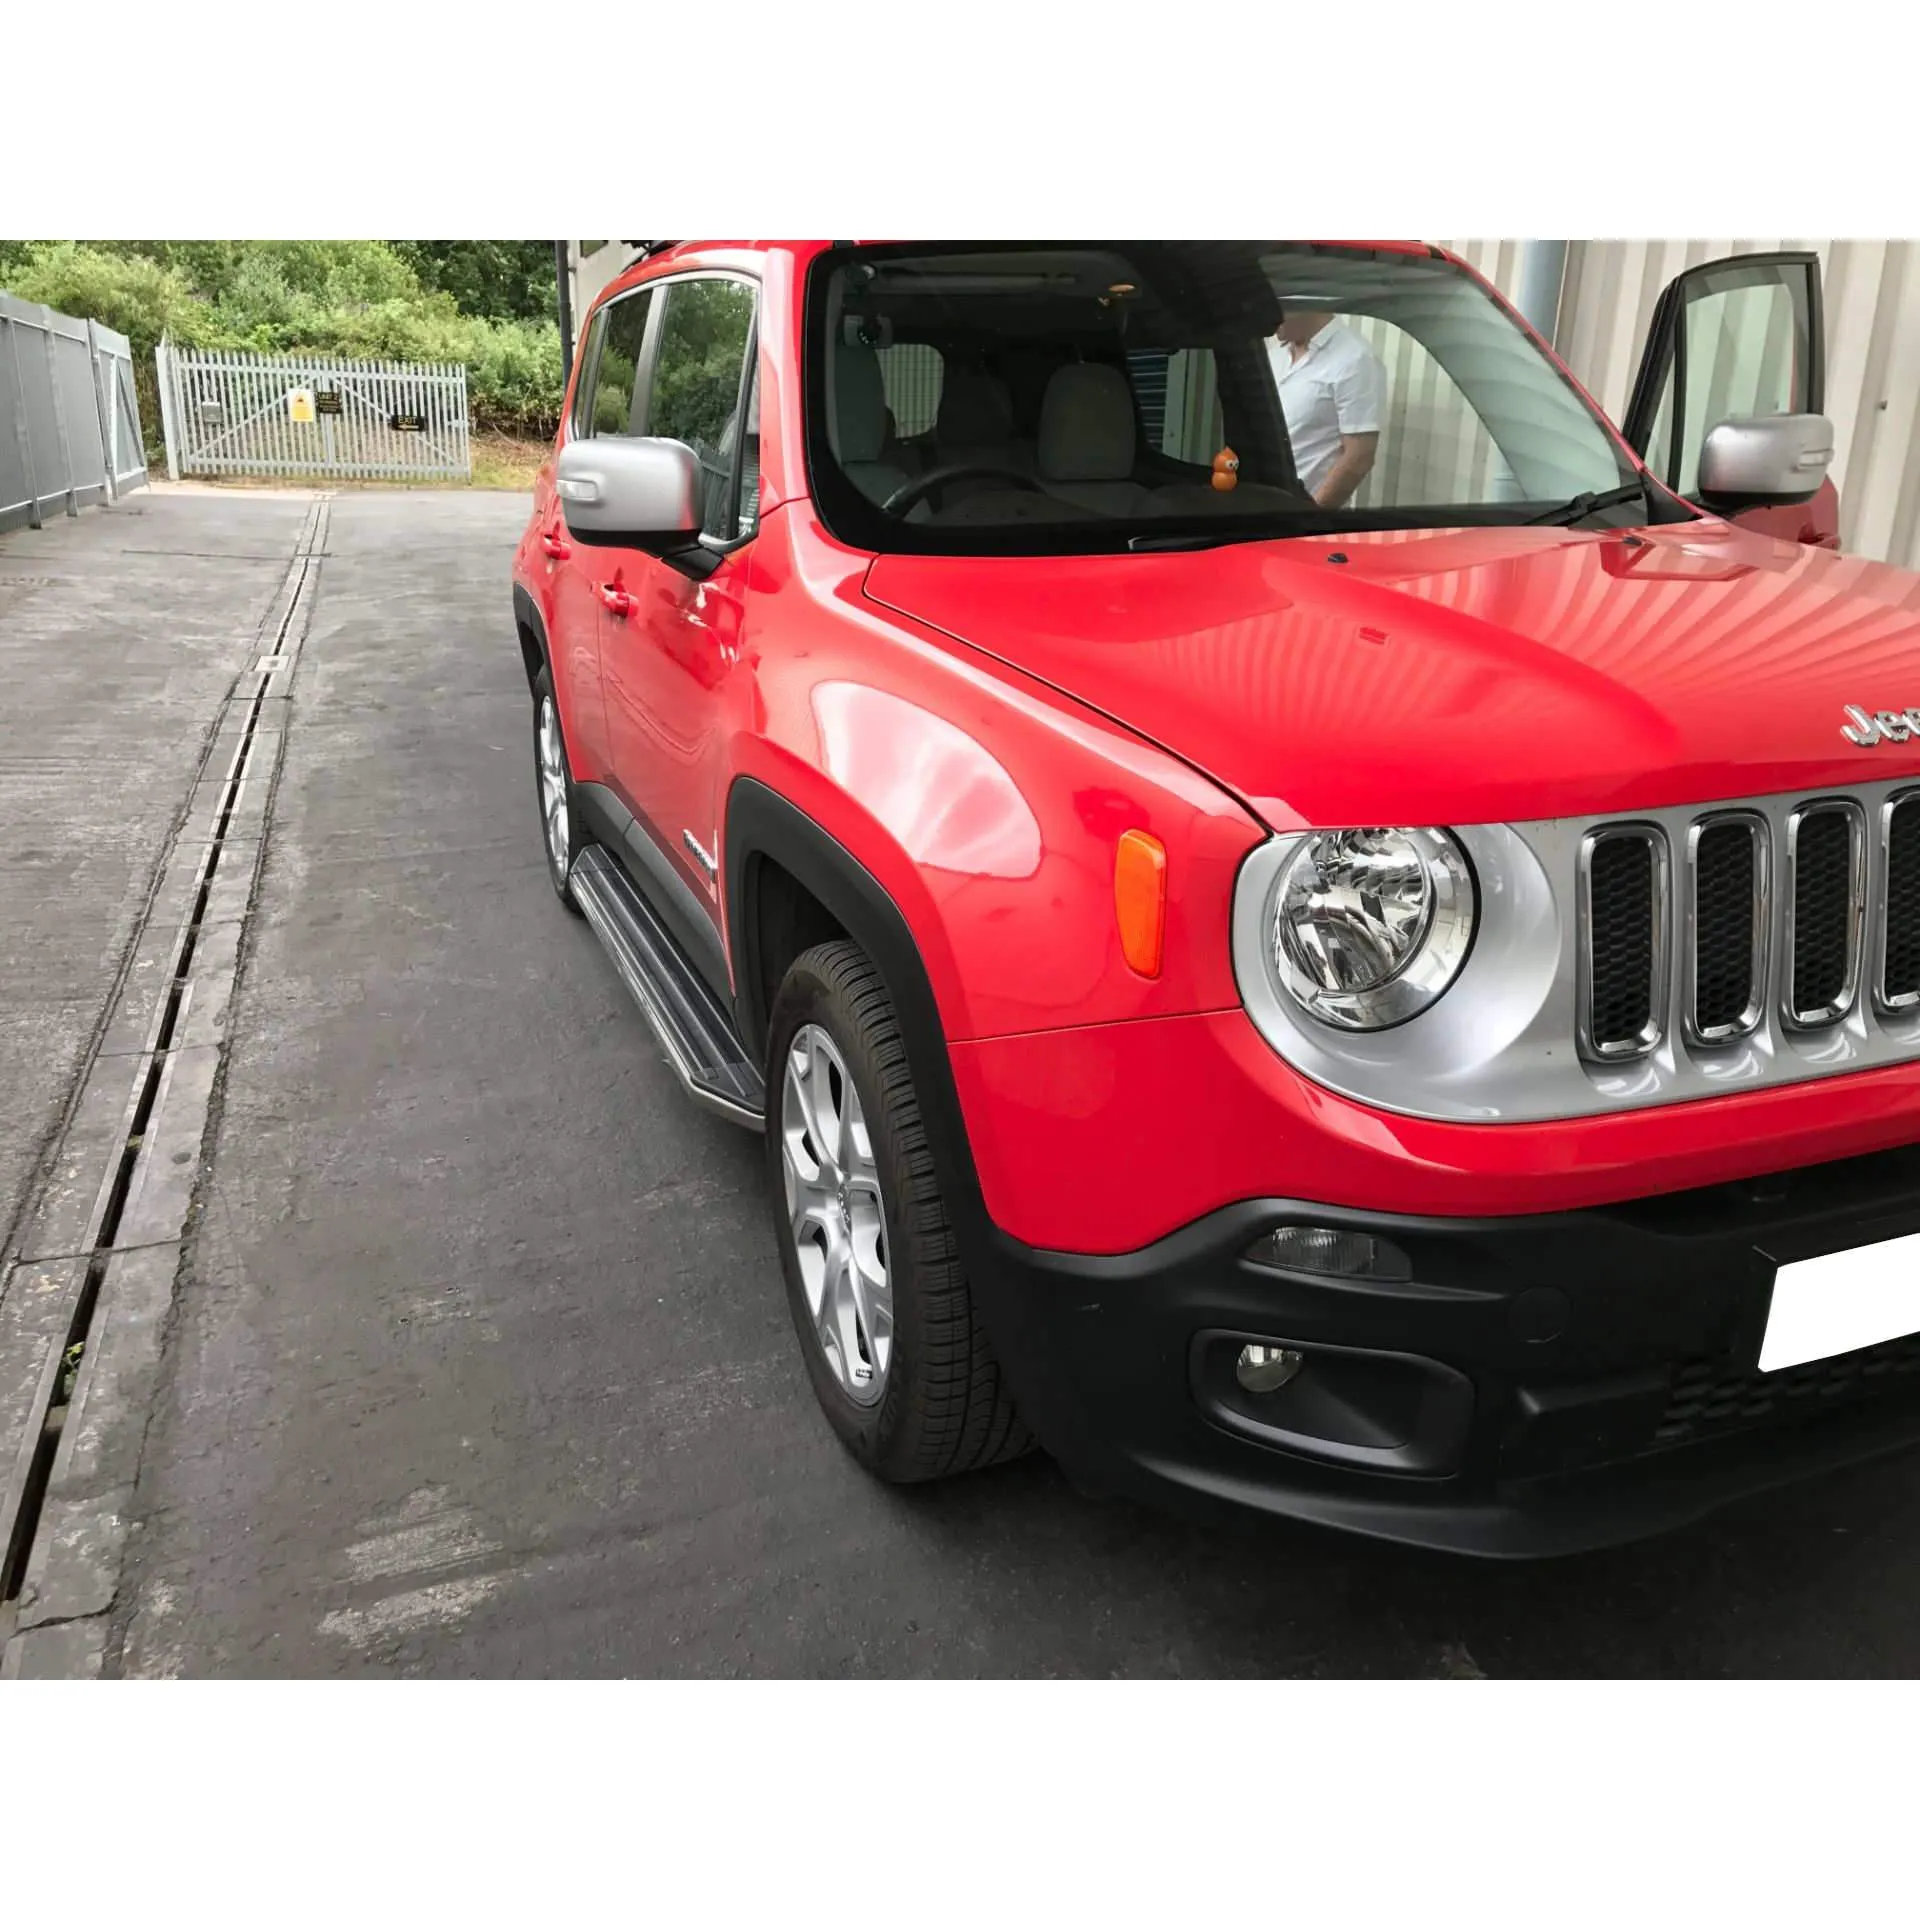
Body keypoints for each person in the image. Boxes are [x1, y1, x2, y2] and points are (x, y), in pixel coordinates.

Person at [1267, 306, 1385, 507]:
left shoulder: (1354, 359)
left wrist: (1310, 518)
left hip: (1302, 519)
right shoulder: (1276, 354)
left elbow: (1359, 456)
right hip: (1262, 507)